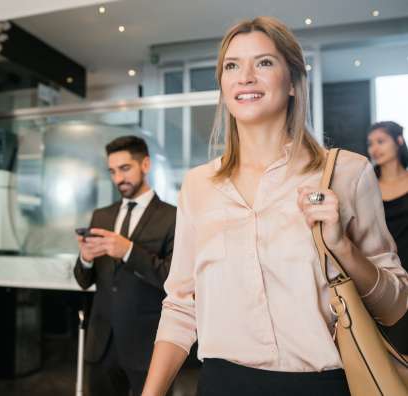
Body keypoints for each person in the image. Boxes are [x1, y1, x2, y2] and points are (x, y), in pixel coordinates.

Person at [141, 17, 408, 396]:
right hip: (221, 385)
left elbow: (396, 304)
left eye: (264, 62)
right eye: (232, 66)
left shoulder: (348, 172)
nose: (245, 76)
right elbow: (181, 308)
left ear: (294, 82)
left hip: (322, 386)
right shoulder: (198, 186)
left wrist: (344, 248)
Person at [74, 135, 176, 396]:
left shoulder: (173, 217)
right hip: (103, 344)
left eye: (125, 168)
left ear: (145, 165)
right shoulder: (102, 215)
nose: (119, 178)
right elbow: (85, 280)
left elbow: (172, 279)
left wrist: (128, 251)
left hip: (149, 345)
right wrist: (85, 257)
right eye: (112, 171)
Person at [367, 121, 408, 353]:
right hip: (382, 274)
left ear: (399, 141)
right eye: (370, 143)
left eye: (381, 141)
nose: (374, 148)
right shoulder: (366, 186)